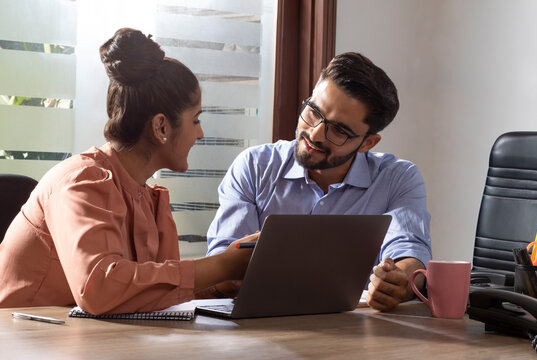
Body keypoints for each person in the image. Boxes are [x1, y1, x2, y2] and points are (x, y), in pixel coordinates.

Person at [0, 28, 257, 314]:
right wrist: (221, 264)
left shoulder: (149, 199)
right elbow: (100, 288)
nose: (201, 134)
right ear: (161, 126)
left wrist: (225, 279)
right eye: (195, 120)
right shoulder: (79, 183)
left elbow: (145, 293)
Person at [206, 52, 431, 311]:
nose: (315, 134)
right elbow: (222, 268)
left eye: (339, 130)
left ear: (367, 143)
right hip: (257, 328)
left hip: (352, 332)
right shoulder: (255, 167)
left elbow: (410, 250)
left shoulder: (397, 178)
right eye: (314, 112)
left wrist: (398, 281)